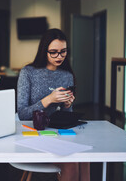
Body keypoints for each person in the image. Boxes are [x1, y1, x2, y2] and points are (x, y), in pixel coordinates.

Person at [17, 28, 90, 181]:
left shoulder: (67, 75)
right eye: (54, 52)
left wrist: (67, 105)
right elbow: (22, 114)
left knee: (85, 159)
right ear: (44, 51)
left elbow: (67, 117)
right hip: (34, 133)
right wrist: (49, 99)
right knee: (71, 162)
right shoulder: (28, 72)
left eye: (63, 52)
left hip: (57, 133)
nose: (59, 56)